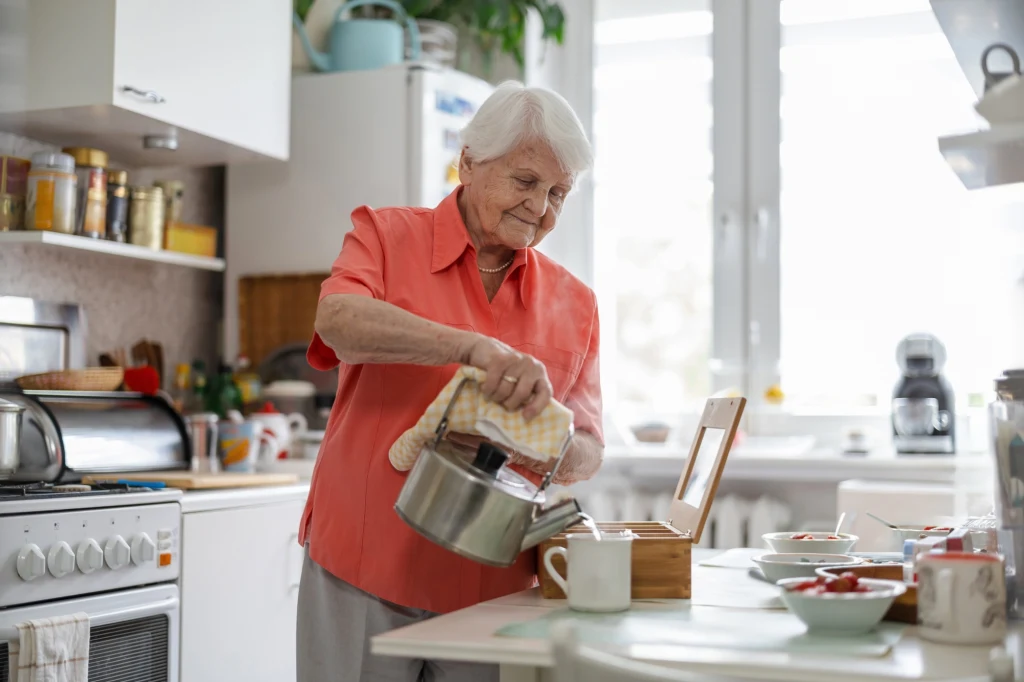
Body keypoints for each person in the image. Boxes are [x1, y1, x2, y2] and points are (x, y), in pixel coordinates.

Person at [296, 80, 604, 682]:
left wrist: (543, 437)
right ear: (467, 162)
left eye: (559, 194)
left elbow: (590, 447)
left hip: (495, 591)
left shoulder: (578, 303)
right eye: (525, 181)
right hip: (363, 562)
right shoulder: (385, 236)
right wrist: (471, 347)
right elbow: (338, 324)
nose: (541, 208)